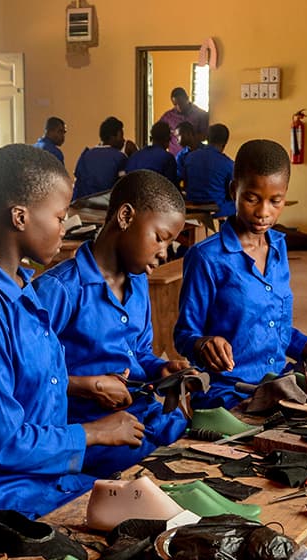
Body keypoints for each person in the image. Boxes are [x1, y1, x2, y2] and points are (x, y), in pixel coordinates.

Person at [0, 144, 145, 558]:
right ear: (20, 217)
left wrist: (84, 388)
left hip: (42, 477)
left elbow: (30, 385)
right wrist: (95, 432)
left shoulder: (21, 289)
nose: (65, 227)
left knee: (151, 515)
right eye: (59, 217)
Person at [174, 139, 307, 409]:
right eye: (252, 198)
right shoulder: (206, 258)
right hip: (229, 391)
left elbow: (278, 330)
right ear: (234, 191)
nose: (264, 212)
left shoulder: (278, 246)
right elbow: (184, 335)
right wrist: (203, 343)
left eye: (275, 201)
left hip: (278, 379)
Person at [34, 170, 189, 477]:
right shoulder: (60, 290)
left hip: (140, 416)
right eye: (159, 238)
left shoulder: (138, 282)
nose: (163, 253)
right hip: (90, 429)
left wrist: (161, 368)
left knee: (200, 435)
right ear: (126, 216)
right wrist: (87, 387)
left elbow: (139, 351)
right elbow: (30, 378)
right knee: (155, 465)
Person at [182, 123, 235, 218]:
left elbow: (186, 184)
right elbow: (232, 192)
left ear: (207, 138)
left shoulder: (190, 157)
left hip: (191, 206)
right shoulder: (228, 164)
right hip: (215, 209)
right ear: (225, 142)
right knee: (238, 204)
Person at [72, 116, 129, 200]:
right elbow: (123, 186)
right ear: (113, 137)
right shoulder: (119, 157)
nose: (123, 140)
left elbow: (78, 180)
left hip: (81, 205)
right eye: (121, 136)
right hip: (104, 207)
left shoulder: (86, 155)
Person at [159, 87, 209, 155]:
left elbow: (205, 135)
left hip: (194, 157)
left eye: (181, 103)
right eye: (175, 104)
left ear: (187, 99)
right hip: (175, 158)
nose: (179, 107)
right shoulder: (168, 117)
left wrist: (189, 138)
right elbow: (159, 134)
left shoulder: (200, 114)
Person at [173, 121, 200, 188]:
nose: (176, 140)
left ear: (188, 133)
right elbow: (178, 178)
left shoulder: (207, 152)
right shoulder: (181, 156)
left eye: (178, 136)